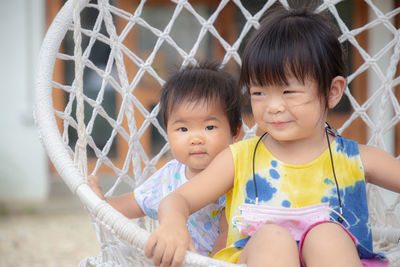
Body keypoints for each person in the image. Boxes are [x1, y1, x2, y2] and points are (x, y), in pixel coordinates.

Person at [144, 6, 400, 267]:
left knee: (328, 236)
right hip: (260, 258)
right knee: (272, 238)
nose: (273, 106)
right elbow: (178, 199)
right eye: (259, 93)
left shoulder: (355, 159)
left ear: (333, 91)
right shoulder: (239, 159)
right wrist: (174, 223)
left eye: (289, 92)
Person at [88, 62, 242, 257]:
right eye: (183, 129)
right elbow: (134, 203)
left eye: (209, 127)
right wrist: (100, 203)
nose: (196, 139)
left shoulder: (239, 174)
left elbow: (231, 237)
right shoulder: (170, 175)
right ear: (167, 132)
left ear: (235, 131)